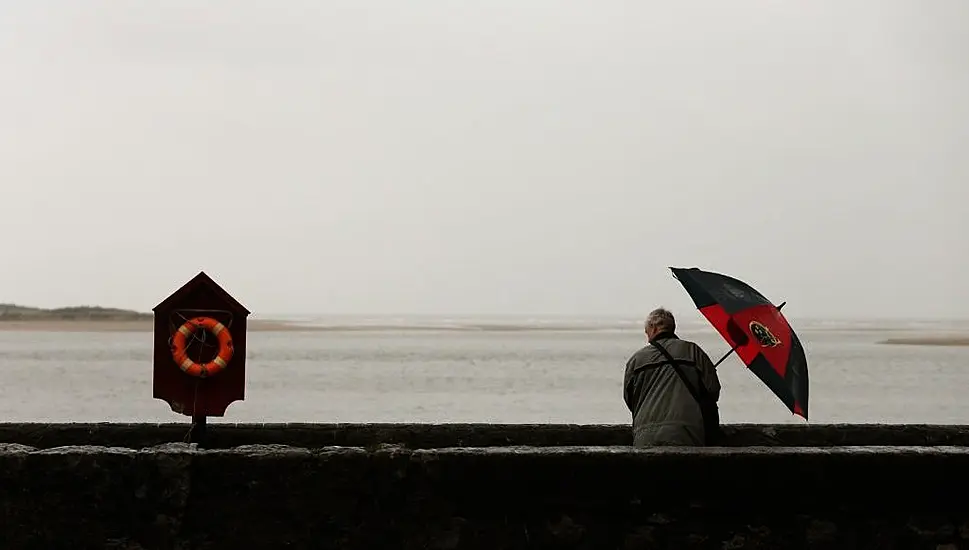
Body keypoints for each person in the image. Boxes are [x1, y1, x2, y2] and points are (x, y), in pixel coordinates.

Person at [623, 307, 722, 446]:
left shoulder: (635, 360)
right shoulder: (694, 352)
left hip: (645, 435)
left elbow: (630, 400)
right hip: (687, 434)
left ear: (653, 329)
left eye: (647, 332)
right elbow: (713, 391)